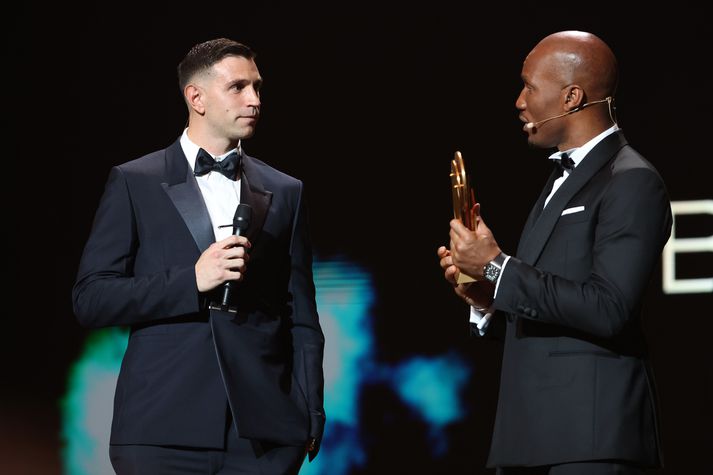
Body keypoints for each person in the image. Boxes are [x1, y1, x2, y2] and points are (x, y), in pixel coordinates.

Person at [73, 38, 325, 474]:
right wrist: (190, 280)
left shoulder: (286, 190)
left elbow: (301, 314)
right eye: (239, 87)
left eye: (258, 88)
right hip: (162, 429)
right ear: (196, 97)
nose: (254, 100)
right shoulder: (136, 181)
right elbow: (91, 298)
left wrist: (309, 414)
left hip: (264, 436)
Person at [438, 31, 670, 474]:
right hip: (532, 439)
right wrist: (488, 296)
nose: (519, 101)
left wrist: (497, 267)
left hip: (592, 441)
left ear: (571, 97)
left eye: (529, 86)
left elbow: (608, 308)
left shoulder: (632, 180)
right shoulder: (561, 180)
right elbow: (553, 304)